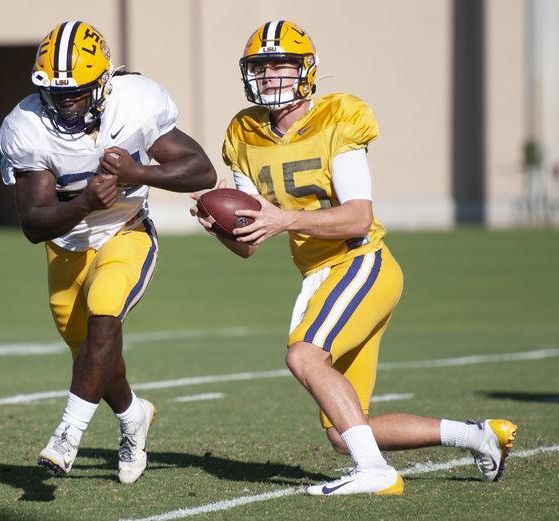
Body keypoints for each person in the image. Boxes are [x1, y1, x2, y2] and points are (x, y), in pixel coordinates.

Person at [190, 20, 517, 496]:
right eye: (261, 67)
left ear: (306, 69)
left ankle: (378, 474)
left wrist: (284, 220)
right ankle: (477, 435)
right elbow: (250, 241)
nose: (270, 77)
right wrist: (218, 227)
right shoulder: (243, 132)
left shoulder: (338, 117)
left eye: (281, 65)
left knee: (303, 357)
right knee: (344, 433)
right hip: (320, 275)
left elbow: (358, 217)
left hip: (360, 262)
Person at [0, 20, 216, 484]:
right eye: (57, 94)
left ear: (103, 82)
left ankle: (67, 435)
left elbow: (200, 170)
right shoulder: (26, 126)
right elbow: (34, 224)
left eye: (77, 92)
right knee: (94, 358)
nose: (66, 103)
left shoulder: (134, 102)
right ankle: (133, 415)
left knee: (105, 315)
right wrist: (83, 203)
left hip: (126, 231)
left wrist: (140, 174)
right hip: (66, 248)